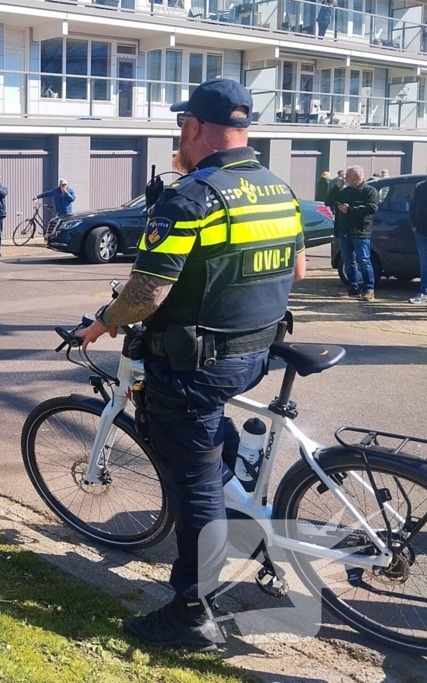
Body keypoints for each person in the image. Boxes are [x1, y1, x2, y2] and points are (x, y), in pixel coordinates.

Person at [75, 79, 305, 651]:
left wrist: (102, 323)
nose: (180, 136)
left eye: (182, 126)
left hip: (199, 366)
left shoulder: (192, 196)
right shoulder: (278, 188)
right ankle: (241, 503)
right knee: (207, 437)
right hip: (256, 353)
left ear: (195, 128)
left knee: (194, 486)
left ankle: (190, 612)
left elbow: (146, 294)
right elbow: (296, 272)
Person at [334, 165, 378, 301]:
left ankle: (369, 289)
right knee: (348, 260)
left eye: (348, 176)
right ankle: (354, 287)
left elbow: (372, 208)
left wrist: (351, 209)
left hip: (360, 231)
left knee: (364, 261)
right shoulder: (345, 191)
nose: (345, 178)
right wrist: (337, 187)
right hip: (344, 231)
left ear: (357, 178)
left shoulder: (369, 191)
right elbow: (328, 201)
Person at [410, 177, 427, 304]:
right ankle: (424, 292)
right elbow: (412, 207)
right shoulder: (420, 187)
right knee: (425, 263)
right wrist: (414, 227)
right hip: (421, 232)